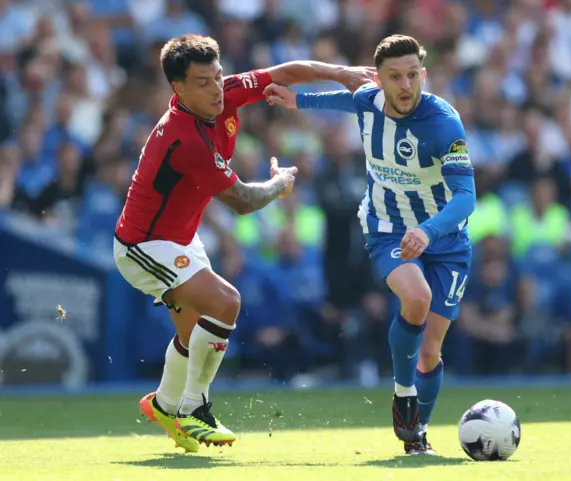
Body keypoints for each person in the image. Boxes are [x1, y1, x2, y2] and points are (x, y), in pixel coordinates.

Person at [113, 34, 373, 453]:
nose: (217, 88)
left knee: (192, 333)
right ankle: (193, 409)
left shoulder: (223, 94)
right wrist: (279, 183)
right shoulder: (184, 138)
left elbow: (285, 72)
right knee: (226, 302)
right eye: (203, 82)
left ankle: (164, 404)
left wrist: (340, 73)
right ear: (177, 88)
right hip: (144, 247)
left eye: (218, 76)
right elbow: (242, 202)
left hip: (178, 238)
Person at [265, 35, 476, 455]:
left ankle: (418, 436)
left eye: (413, 75)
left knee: (430, 353)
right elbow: (346, 101)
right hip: (388, 227)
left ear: (424, 75)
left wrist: (429, 231)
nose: (405, 85)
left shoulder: (444, 122)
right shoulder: (369, 100)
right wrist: (297, 102)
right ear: (379, 80)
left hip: (445, 239)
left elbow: (466, 196)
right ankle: (402, 394)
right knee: (416, 297)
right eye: (394, 76)